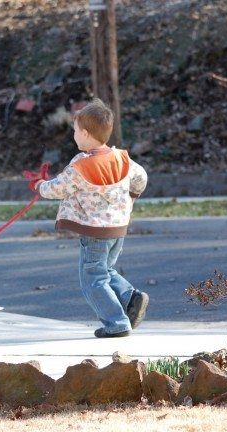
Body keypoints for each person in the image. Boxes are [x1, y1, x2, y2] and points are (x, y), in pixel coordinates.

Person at [27, 98, 149, 338]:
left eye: (74, 131)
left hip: (95, 233)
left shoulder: (81, 165)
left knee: (92, 279)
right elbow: (141, 178)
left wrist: (39, 186)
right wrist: (132, 195)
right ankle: (130, 296)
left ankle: (116, 323)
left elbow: (58, 189)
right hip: (118, 228)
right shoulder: (122, 159)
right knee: (105, 269)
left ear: (84, 133)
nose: (74, 136)